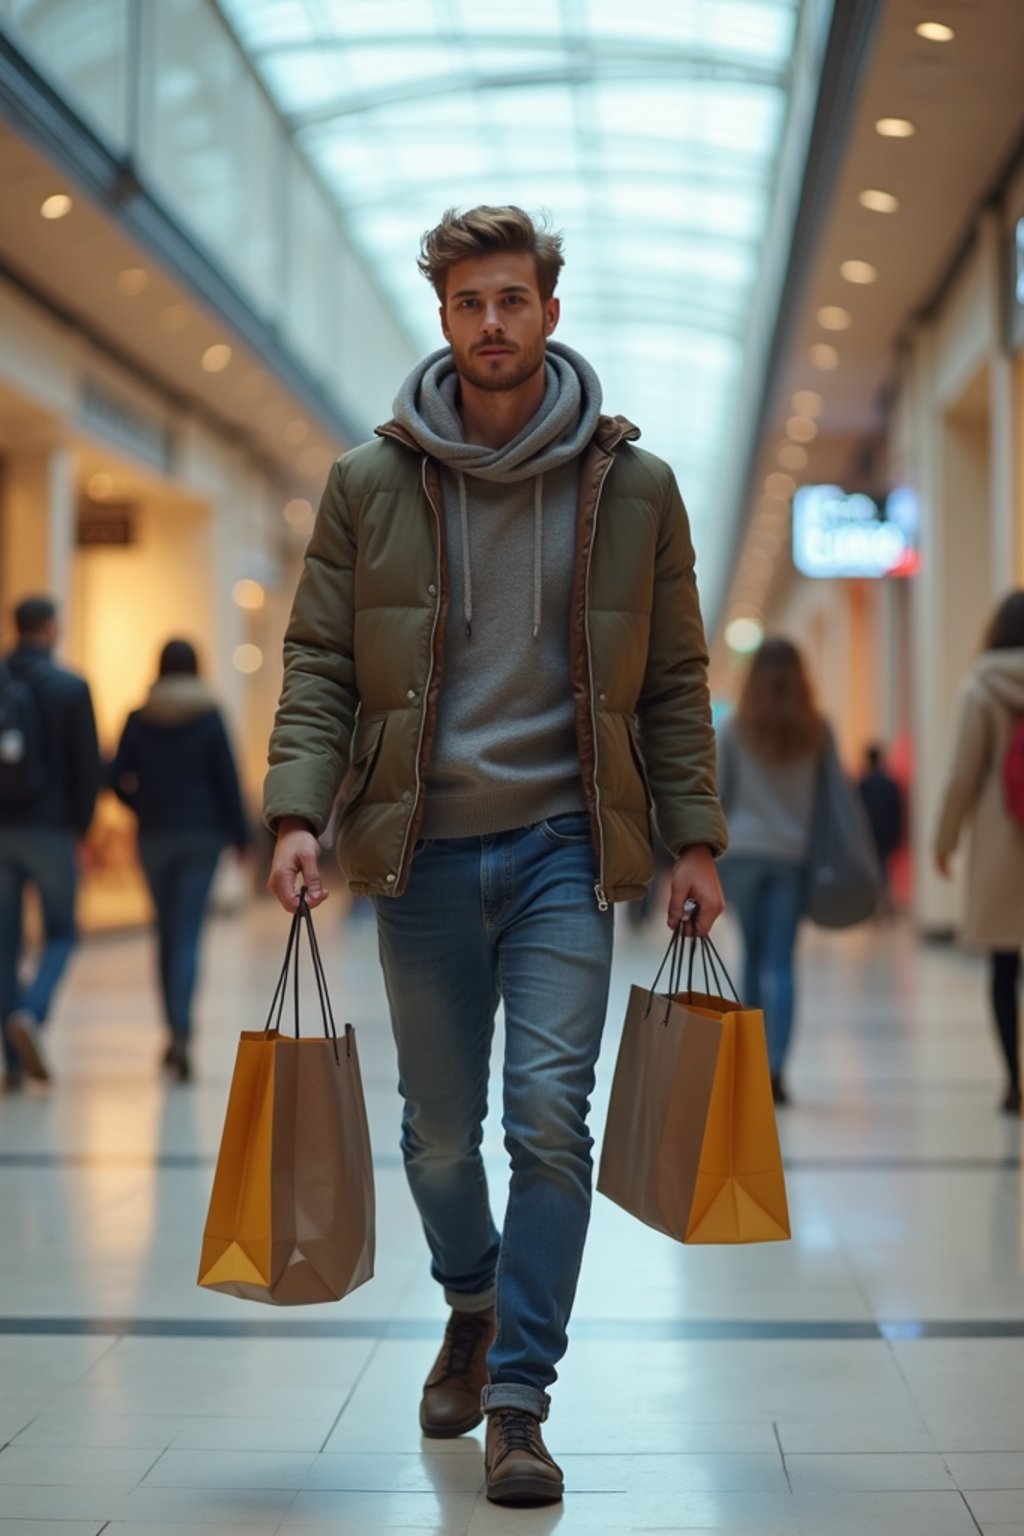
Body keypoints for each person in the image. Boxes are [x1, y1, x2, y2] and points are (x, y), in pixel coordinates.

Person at [264, 205, 727, 1506]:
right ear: (445, 317)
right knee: (433, 1140)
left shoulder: (633, 490)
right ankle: (470, 1298)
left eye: (512, 300)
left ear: (551, 313)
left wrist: (691, 836)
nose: (492, 325)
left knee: (547, 1122)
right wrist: (301, 813)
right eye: (470, 303)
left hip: (565, 853)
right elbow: (319, 668)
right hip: (418, 855)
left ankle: (518, 1398)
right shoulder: (369, 485)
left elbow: (676, 683)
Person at [110, 639, 249, 1082]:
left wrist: (142, 806)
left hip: (154, 837)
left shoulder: (138, 717)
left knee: (166, 933)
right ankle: (183, 1033)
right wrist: (242, 837)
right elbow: (228, 781)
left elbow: (113, 778)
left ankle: (172, 1030)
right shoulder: (210, 717)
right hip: (202, 837)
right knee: (187, 933)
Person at [716, 637, 830, 1106]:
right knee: (781, 963)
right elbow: (829, 803)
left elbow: (718, 792)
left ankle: (750, 1063)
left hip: (742, 853)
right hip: (791, 856)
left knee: (750, 957)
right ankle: (777, 1069)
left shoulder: (737, 728)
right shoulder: (815, 730)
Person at [0, 595, 100, 1089]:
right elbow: (88, 768)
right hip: (50, 830)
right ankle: (31, 1013)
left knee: (4, 944)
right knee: (61, 931)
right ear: (53, 629)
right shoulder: (70, 686)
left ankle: (13, 1063)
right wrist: (80, 830)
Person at [934, 590, 1024, 1116]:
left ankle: (1014, 1082)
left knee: (1004, 966)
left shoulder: (983, 686)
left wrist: (943, 841)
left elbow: (962, 773)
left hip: (1000, 844)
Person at [857, 743, 903, 914]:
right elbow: (896, 812)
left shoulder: (863, 785)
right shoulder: (890, 784)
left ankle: (875, 907)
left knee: (873, 870)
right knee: (884, 870)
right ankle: (885, 906)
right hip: (886, 833)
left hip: (868, 834)